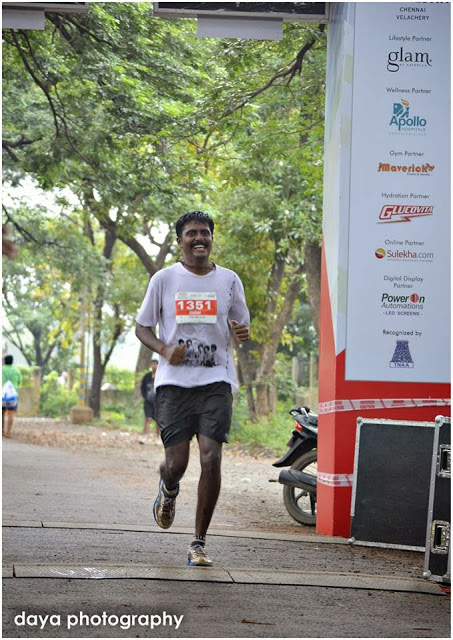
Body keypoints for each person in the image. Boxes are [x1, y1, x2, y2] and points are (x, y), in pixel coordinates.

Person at [135, 210, 250, 567]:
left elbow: (241, 325)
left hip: (216, 382)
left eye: (205, 233)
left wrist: (242, 333)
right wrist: (165, 349)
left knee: (212, 458)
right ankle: (168, 489)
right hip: (173, 386)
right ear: (180, 240)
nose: (199, 238)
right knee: (177, 463)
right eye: (191, 233)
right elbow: (142, 328)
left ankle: (198, 542)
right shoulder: (164, 279)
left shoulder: (229, 280)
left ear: (212, 238)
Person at [140, 359, 159, 444]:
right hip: (148, 401)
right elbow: (142, 387)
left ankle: (158, 437)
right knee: (147, 418)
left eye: (155, 364)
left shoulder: (160, 376)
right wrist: (145, 397)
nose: (153, 366)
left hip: (158, 402)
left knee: (158, 421)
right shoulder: (147, 376)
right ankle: (144, 437)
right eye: (152, 364)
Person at [2, 355, 22, 438]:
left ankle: (2, 431)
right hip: (12, 396)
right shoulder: (16, 371)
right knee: (11, 414)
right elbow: (19, 382)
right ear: (12, 361)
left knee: (2, 413)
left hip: (2, 395)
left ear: (4, 361)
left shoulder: (1, 370)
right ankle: (8, 432)